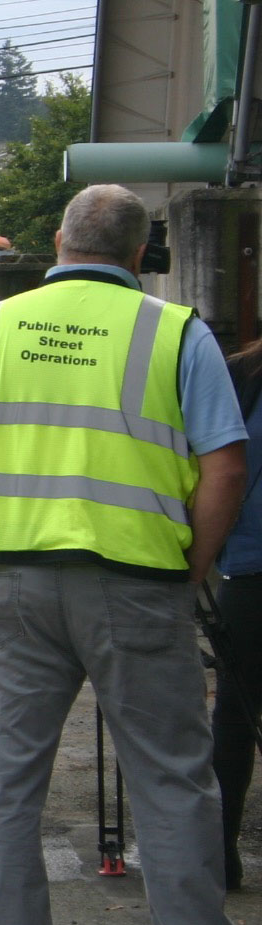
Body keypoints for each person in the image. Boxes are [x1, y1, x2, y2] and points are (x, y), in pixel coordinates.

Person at [0, 184, 260, 925]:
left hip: (15, 586)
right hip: (140, 586)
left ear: (60, 239)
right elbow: (225, 467)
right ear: (142, 255)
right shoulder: (176, 332)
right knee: (175, 784)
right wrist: (191, 566)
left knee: (7, 784)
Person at [213, 338, 262, 892]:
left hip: (249, 572)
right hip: (248, 564)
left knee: (235, 718)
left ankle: (220, 853)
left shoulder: (240, 376)